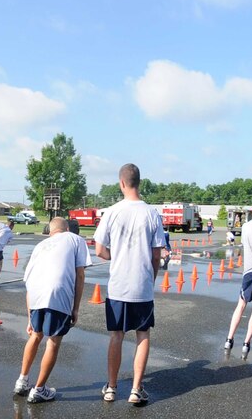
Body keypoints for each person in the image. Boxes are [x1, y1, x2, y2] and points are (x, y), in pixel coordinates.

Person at [93, 163, 165, 406]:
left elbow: (100, 250)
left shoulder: (112, 212)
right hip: (142, 285)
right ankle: (135, 389)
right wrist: (151, 278)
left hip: (118, 285)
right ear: (139, 183)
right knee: (143, 334)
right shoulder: (152, 213)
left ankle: (111, 388)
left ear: (121, 183)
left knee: (117, 335)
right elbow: (156, 254)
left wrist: (117, 256)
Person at [14, 217, 91, 403]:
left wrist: (29, 317)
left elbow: (29, 281)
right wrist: (75, 308)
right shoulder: (75, 239)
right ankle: (39, 390)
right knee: (53, 341)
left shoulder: (40, 246)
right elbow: (80, 275)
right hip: (57, 293)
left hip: (35, 294)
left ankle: (22, 381)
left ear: (50, 231)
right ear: (67, 229)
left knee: (35, 335)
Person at [225, 199, 252, 362]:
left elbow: (244, 244)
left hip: (248, 271)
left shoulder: (245, 227)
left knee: (241, 305)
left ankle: (229, 339)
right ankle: (246, 343)